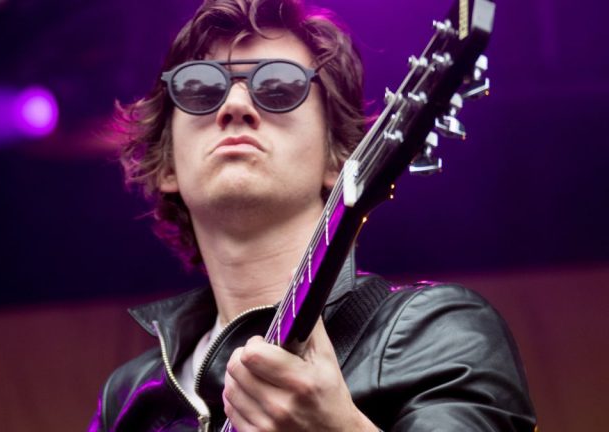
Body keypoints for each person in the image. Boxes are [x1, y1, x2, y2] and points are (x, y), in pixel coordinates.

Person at [89, 0, 537, 430]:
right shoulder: (129, 399)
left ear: (338, 158)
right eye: (201, 89)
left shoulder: (437, 333)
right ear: (167, 166)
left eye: (279, 87)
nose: (235, 106)